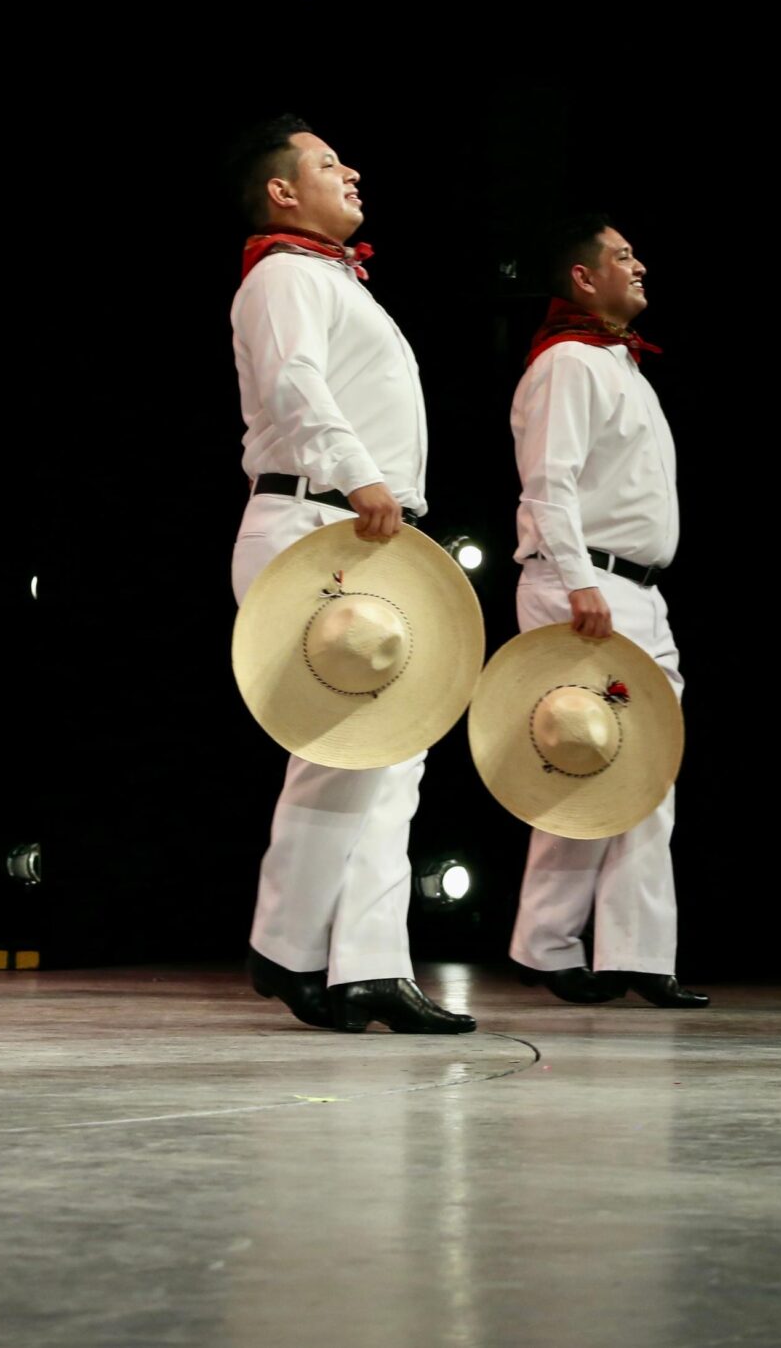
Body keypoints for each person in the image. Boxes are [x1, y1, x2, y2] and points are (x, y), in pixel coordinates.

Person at [227, 114, 473, 1035]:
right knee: (347, 749)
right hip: (316, 520)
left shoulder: (329, 277)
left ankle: (364, 964)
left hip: (358, 527)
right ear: (282, 191)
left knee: (389, 756)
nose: (352, 172)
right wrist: (362, 474)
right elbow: (295, 383)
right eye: (328, 163)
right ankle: (293, 945)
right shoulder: (282, 275)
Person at [504, 218, 705, 1009]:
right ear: (584, 278)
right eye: (623, 257)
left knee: (650, 768)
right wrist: (579, 578)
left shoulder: (619, 363)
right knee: (581, 758)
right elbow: (548, 480)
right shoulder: (567, 362)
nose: (640, 265)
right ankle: (547, 941)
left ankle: (639, 953)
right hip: (586, 583)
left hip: (639, 591)